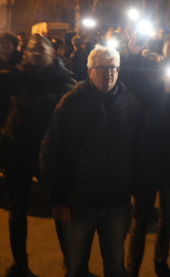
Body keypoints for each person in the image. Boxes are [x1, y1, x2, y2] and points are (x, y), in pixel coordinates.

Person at [40, 46, 144, 277]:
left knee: (115, 266)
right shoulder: (72, 103)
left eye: (113, 68)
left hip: (117, 202)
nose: (108, 73)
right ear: (89, 70)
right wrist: (56, 198)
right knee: (76, 267)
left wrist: (139, 190)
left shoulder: (130, 103)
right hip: (80, 202)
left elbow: (138, 152)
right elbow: (50, 150)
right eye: (101, 68)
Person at [0, 34, 77, 277]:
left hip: (49, 152)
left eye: (40, 50)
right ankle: (20, 262)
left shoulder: (63, 77)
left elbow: (68, 99)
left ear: (52, 53)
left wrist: (33, 101)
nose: (35, 54)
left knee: (59, 206)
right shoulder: (18, 75)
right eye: (31, 50)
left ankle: (70, 259)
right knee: (17, 209)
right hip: (18, 150)